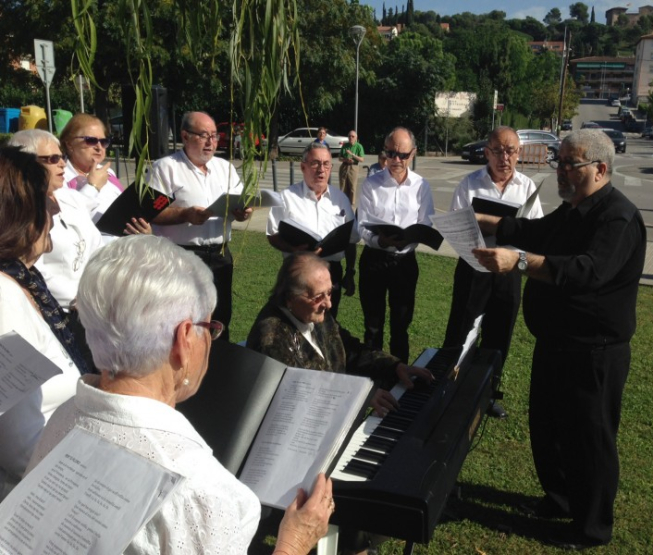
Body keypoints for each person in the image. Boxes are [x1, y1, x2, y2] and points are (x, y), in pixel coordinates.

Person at [26, 236, 333, 555]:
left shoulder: (63, 417)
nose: (211, 340)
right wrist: (293, 543)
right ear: (184, 339)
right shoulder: (203, 492)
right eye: (209, 327)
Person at [472, 129, 646, 549]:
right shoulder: (573, 209)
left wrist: (519, 263)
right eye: (559, 162)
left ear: (600, 169)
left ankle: (591, 528)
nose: (561, 172)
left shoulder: (617, 218)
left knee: (589, 439)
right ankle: (561, 498)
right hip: (556, 341)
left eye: (570, 164)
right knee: (550, 429)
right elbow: (532, 231)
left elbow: (587, 270)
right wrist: (481, 222)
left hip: (594, 351)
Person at [246, 252, 432, 554]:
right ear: (290, 297)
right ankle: (353, 543)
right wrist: (361, 396)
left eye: (330, 293)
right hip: (301, 452)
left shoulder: (315, 314)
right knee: (368, 490)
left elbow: (350, 348)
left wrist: (394, 366)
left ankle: (357, 541)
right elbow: (304, 401)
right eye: (319, 296)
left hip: (334, 435)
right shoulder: (271, 337)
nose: (329, 303)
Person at [0, 146, 87, 501]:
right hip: (36, 500)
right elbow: (22, 450)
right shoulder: (3, 300)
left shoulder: (23, 280)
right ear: (21, 214)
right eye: (46, 201)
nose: (55, 211)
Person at [443, 126, 543, 419]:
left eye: (511, 150)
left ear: (519, 153)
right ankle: (450, 385)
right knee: (461, 329)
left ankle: (488, 394)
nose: (504, 157)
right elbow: (455, 225)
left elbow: (536, 233)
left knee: (500, 334)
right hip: (474, 267)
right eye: (497, 150)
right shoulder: (470, 185)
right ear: (486, 152)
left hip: (508, 271)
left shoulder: (527, 188)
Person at [150, 111, 252, 341]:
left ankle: (218, 367)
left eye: (215, 136)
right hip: (182, 256)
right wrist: (184, 214)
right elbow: (152, 212)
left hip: (220, 254)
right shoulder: (165, 168)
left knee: (221, 317)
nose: (211, 142)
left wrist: (243, 212)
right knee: (183, 320)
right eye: (204, 135)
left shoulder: (224, 168)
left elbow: (240, 203)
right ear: (185, 136)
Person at [357, 127, 434, 363]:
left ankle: (400, 377)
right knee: (373, 326)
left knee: (401, 326)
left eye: (402, 155)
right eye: (391, 154)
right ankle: (373, 376)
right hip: (375, 259)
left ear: (413, 154)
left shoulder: (422, 186)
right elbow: (361, 225)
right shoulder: (371, 184)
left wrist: (413, 236)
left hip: (404, 262)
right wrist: (379, 239)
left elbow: (426, 222)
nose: (396, 160)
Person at [266, 142, 359, 317]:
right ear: (303, 166)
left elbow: (351, 239)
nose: (321, 169)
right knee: (295, 321)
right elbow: (272, 235)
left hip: (332, 272)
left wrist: (350, 272)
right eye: (315, 163)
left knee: (329, 321)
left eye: (326, 164)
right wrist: (294, 250)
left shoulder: (341, 200)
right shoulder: (286, 197)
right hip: (298, 271)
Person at [59, 113, 125, 224]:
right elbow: (67, 219)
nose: (99, 147)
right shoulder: (60, 177)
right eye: (91, 140)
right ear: (70, 144)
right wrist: (93, 186)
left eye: (104, 142)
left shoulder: (108, 172)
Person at [338, 130, 364, 207]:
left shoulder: (359, 146)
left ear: (356, 138)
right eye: (349, 136)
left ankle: (351, 206)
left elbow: (362, 159)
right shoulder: (345, 146)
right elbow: (340, 158)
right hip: (344, 166)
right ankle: (342, 205)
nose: (351, 138)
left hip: (354, 167)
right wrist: (345, 159)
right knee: (343, 187)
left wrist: (352, 155)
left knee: (352, 188)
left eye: (352, 136)